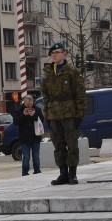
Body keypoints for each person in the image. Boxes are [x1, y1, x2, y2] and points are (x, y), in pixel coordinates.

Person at [40, 42, 87, 185]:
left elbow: (80, 94)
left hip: (69, 113)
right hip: (54, 115)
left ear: (64, 54)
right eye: (52, 53)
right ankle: (63, 173)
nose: (54, 55)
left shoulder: (72, 71)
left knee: (72, 145)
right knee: (58, 145)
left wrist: (79, 114)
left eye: (57, 52)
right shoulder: (48, 73)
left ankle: (73, 174)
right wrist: (47, 114)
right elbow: (46, 96)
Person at [13, 94, 45, 176]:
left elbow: (42, 120)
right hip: (24, 138)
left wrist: (34, 115)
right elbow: (15, 122)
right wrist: (24, 115)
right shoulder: (19, 110)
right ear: (24, 102)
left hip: (36, 136)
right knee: (26, 157)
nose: (29, 106)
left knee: (36, 156)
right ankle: (25, 172)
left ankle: (37, 171)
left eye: (30, 104)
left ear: (32, 102)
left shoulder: (37, 109)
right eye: (27, 104)